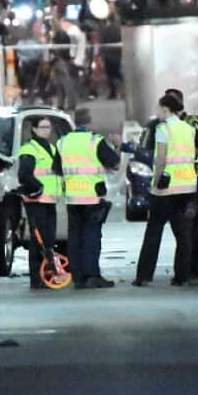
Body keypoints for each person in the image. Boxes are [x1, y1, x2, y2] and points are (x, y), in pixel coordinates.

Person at [133, 94, 198, 286]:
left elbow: (161, 159)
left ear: (165, 109)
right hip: (187, 186)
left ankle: (144, 276)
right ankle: (182, 276)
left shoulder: (163, 129)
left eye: (158, 108)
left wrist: (155, 183)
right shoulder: (189, 129)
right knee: (183, 233)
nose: (156, 112)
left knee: (154, 230)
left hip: (166, 187)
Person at [58, 109, 120, 289]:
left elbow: (57, 167)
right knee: (91, 236)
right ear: (90, 122)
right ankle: (92, 275)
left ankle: (77, 277)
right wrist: (117, 146)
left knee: (75, 237)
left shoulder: (63, 142)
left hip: (72, 197)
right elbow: (115, 164)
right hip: (92, 197)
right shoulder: (95, 141)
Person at [164, 88, 198, 284]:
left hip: (191, 181)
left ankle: (194, 271)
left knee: (190, 229)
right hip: (179, 182)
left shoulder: (192, 124)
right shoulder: (168, 124)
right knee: (187, 230)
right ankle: (193, 270)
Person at [17, 116, 64, 290]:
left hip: (49, 201)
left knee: (48, 241)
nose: (47, 130)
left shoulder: (51, 148)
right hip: (36, 200)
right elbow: (25, 175)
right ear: (34, 130)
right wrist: (39, 188)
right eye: (43, 127)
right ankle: (37, 278)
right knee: (38, 241)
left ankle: (47, 275)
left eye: (48, 127)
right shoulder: (29, 149)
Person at [100, 18, 122, 99]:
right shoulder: (119, 29)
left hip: (108, 55)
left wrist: (101, 55)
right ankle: (123, 92)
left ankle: (112, 93)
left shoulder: (105, 30)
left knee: (110, 76)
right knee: (119, 74)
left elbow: (102, 43)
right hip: (118, 54)